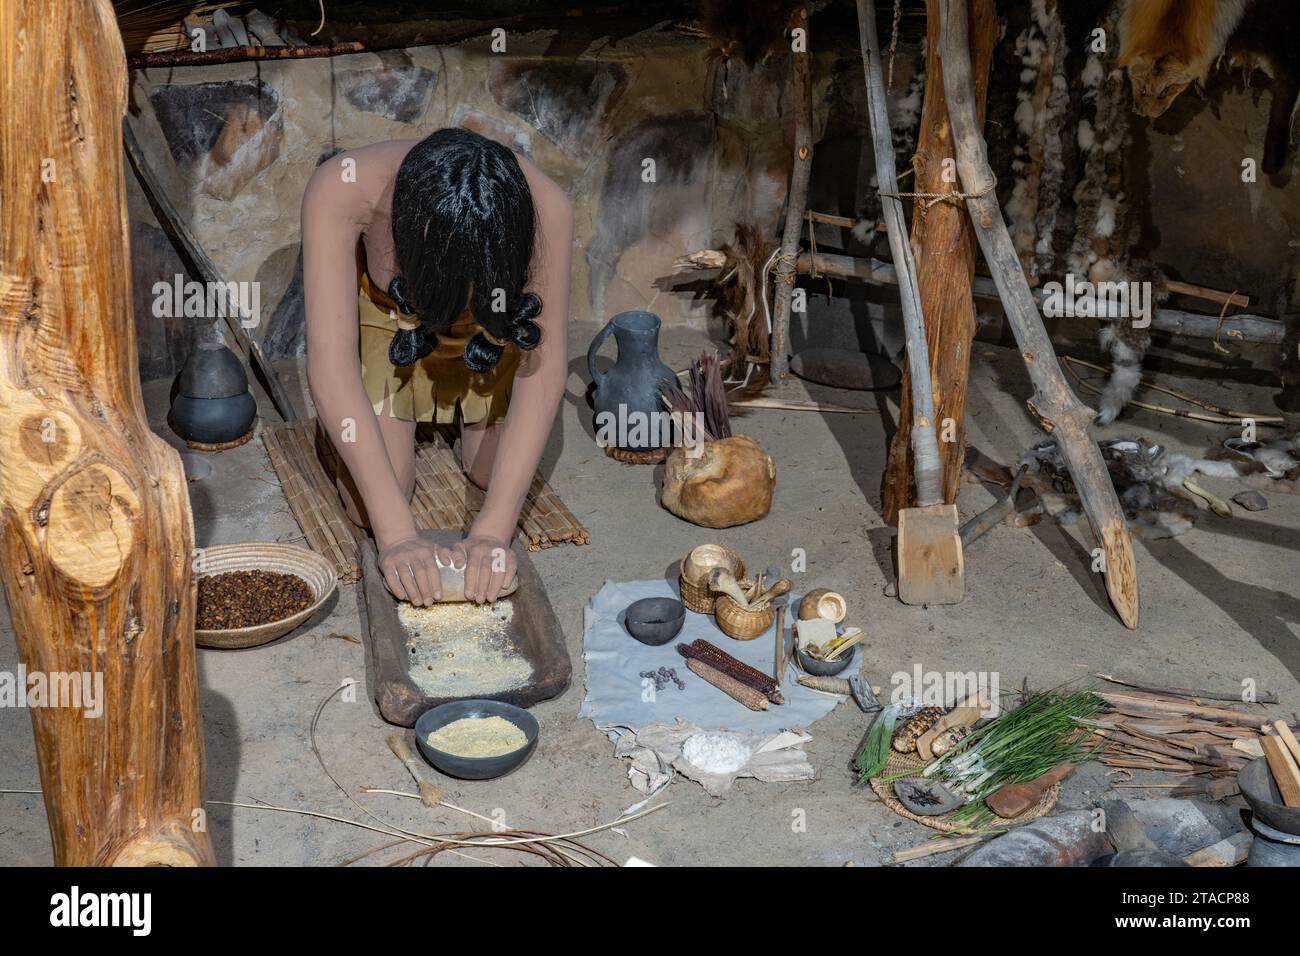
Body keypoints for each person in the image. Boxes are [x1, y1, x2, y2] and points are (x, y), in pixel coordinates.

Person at [302, 128, 571, 605]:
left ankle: (468, 417)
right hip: (396, 328)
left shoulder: (548, 205)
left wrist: (493, 530)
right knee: (373, 504)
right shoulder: (342, 186)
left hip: (490, 334)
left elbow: (544, 368)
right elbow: (330, 363)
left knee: (493, 475)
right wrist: (398, 538)